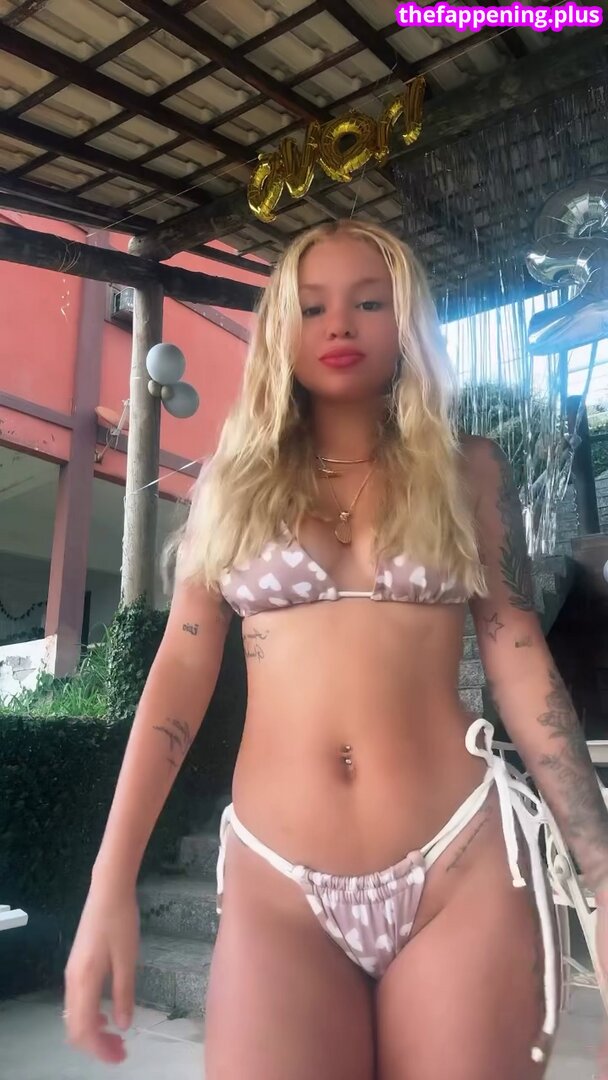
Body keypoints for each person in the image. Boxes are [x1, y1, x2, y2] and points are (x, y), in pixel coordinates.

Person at [63, 219, 608, 1079]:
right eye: (312, 307)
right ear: (280, 329)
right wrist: (110, 881)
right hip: (276, 883)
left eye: (369, 303)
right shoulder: (231, 483)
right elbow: (181, 668)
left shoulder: (468, 469)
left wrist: (602, 875)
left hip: (459, 863)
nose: (340, 325)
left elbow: (517, 652)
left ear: (407, 323)